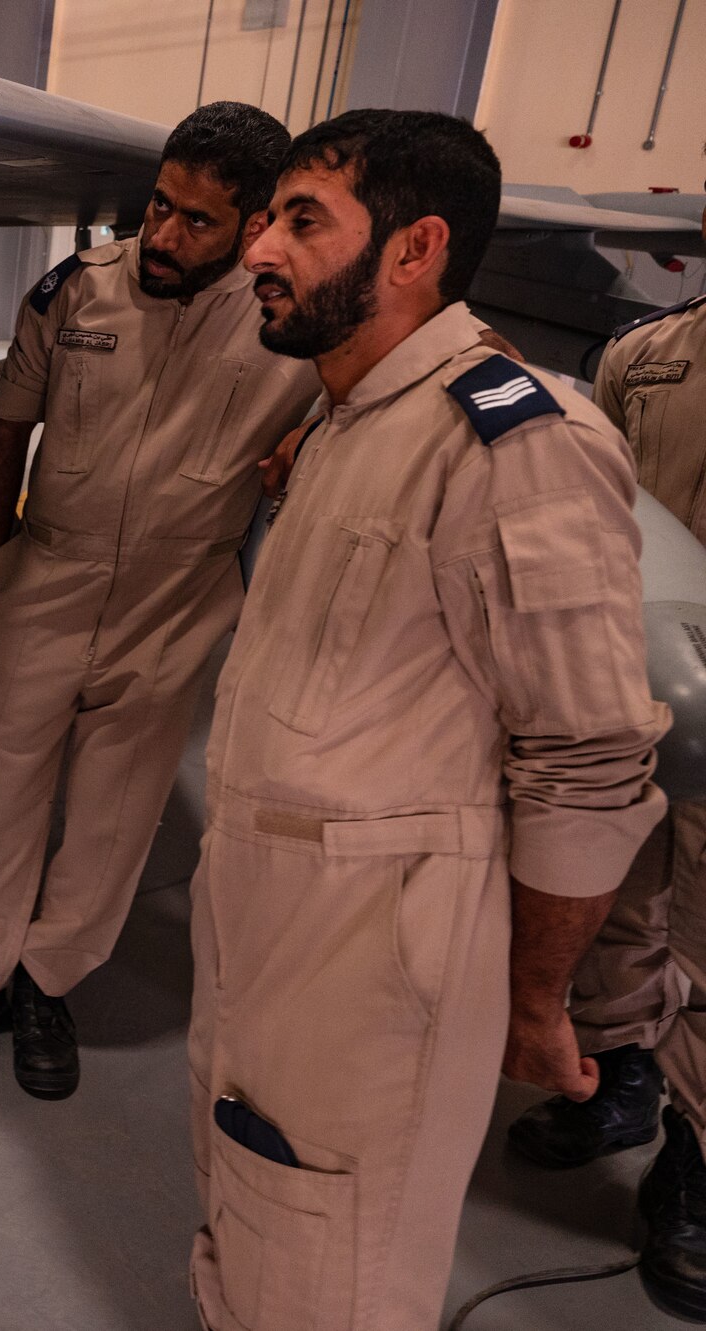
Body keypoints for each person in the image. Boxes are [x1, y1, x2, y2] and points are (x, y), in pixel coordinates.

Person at [189, 109, 667, 1331]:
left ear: (413, 251)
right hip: (264, 918)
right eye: (265, 218)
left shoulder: (511, 444)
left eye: (301, 221)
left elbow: (587, 758)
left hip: (372, 958)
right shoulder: (346, 418)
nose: (257, 248)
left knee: (327, 1272)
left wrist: (533, 998)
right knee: (249, 1215)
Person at [0, 102, 318, 1100]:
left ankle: (44, 981)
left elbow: (366, 399)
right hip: (46, 575)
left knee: (116, 811)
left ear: (254, 225)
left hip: (181, 594)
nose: (162, 235)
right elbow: (5, 435)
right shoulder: (77, 293)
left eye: (196, 221)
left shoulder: (293, 315)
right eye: (158, 205)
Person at [505, 202, 706, 1320]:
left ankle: (697, 1161)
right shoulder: (643, 356)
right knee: (617, 901)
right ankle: (617, 1071)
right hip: (649, 685)